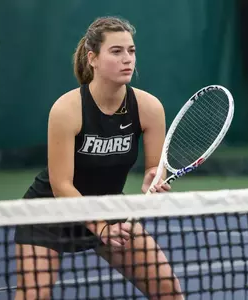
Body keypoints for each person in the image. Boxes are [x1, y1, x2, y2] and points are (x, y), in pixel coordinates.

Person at [13, 16, 184, 300]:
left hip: (108, 208)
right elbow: (62, 185)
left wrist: (155, 177)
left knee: (169, 291)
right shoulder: (67, 110)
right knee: (33, 296)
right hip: (48, 214)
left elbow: (155, 167)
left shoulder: (149, 108)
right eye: (116, 51)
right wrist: (101, 227)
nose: (127, 59)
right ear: (92, 58)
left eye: (131, 50)